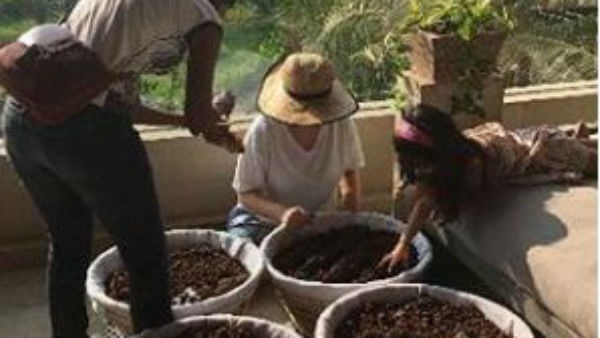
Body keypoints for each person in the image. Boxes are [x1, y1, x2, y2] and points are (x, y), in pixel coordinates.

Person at [1, 0, 242, 337]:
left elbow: (112, 101)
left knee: (67, 242)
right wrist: (216, 110)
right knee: (144, 254)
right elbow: (198, 116)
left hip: (21, 122)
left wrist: (192, 119)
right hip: (90, 136)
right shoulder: (204, 17)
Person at [379, 104, 597, 269]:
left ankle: (578, 140)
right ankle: (581, 137)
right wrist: (403, 243)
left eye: (419, 161)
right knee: (579, 146)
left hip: (542, 152)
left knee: (589, 160)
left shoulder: (470, 167)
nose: (416, 169)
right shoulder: (442, 161)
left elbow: (433, 200)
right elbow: (426, 200)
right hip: (517, 141)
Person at [226, 52, 365, 244]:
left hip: (316, 221)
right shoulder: (264, 130)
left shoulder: (342, 125)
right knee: (242, 249)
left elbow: (350, 169)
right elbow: (246, 195)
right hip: (262, 221)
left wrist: (349, 196)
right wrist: (283, 214)